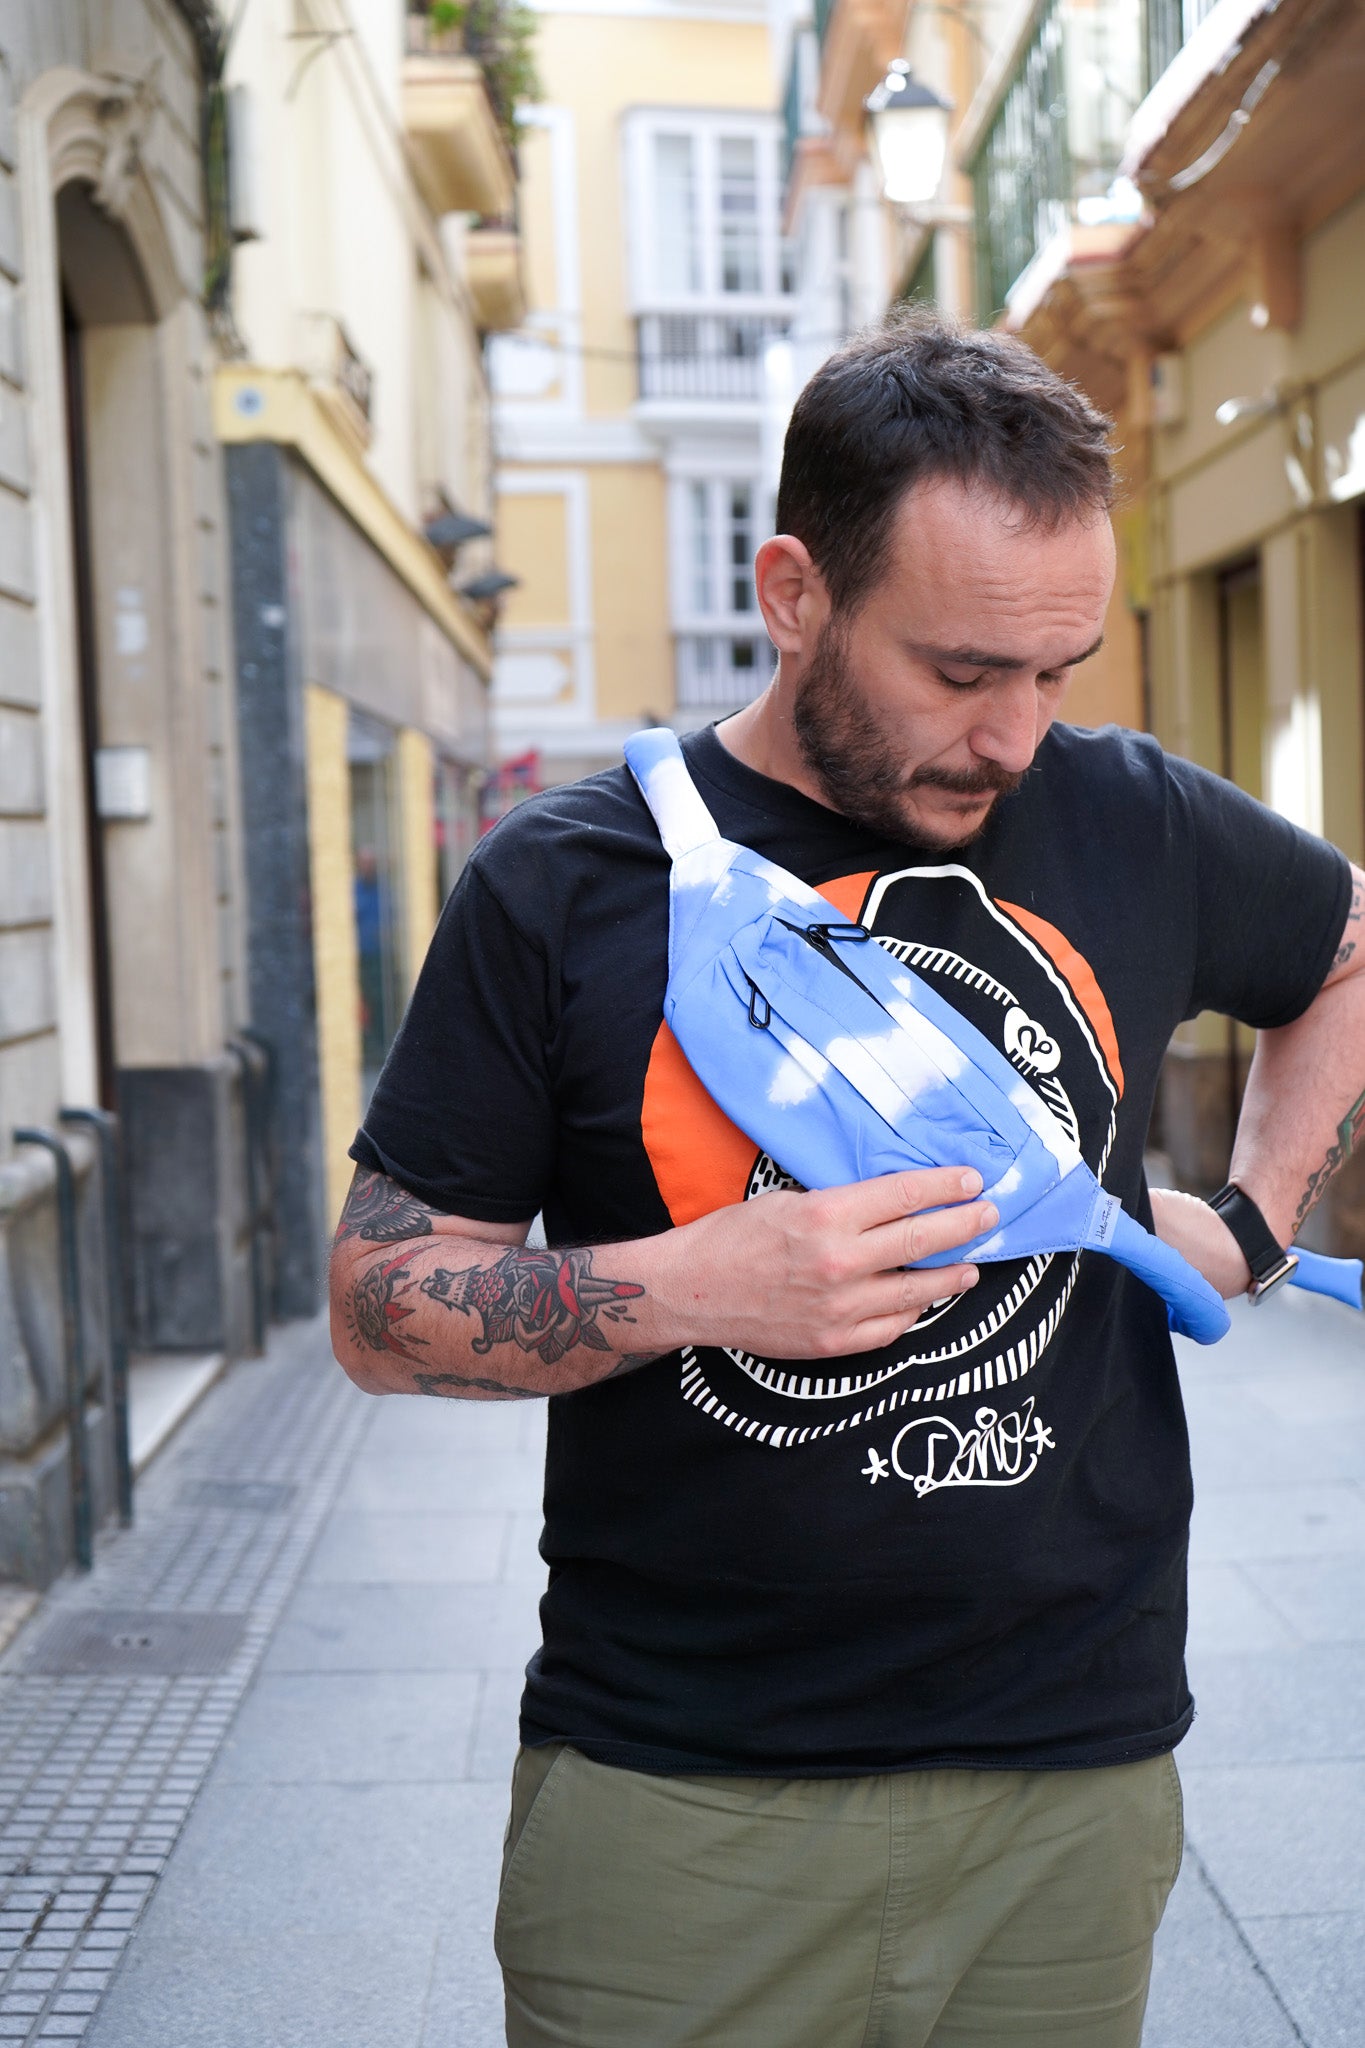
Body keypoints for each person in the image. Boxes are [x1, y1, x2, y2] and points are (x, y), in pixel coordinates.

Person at [330, 310, 1365, 2048]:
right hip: (681, 1803)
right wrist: (693, 1286)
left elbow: (1343, 949)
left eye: (1056, 672)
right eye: (959, 673)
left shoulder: (1132, 817)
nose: (1013, 735)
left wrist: (1256, 1224)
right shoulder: (560, 882)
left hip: (1073, 1782)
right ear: (793, 592)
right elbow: (375, 1309)